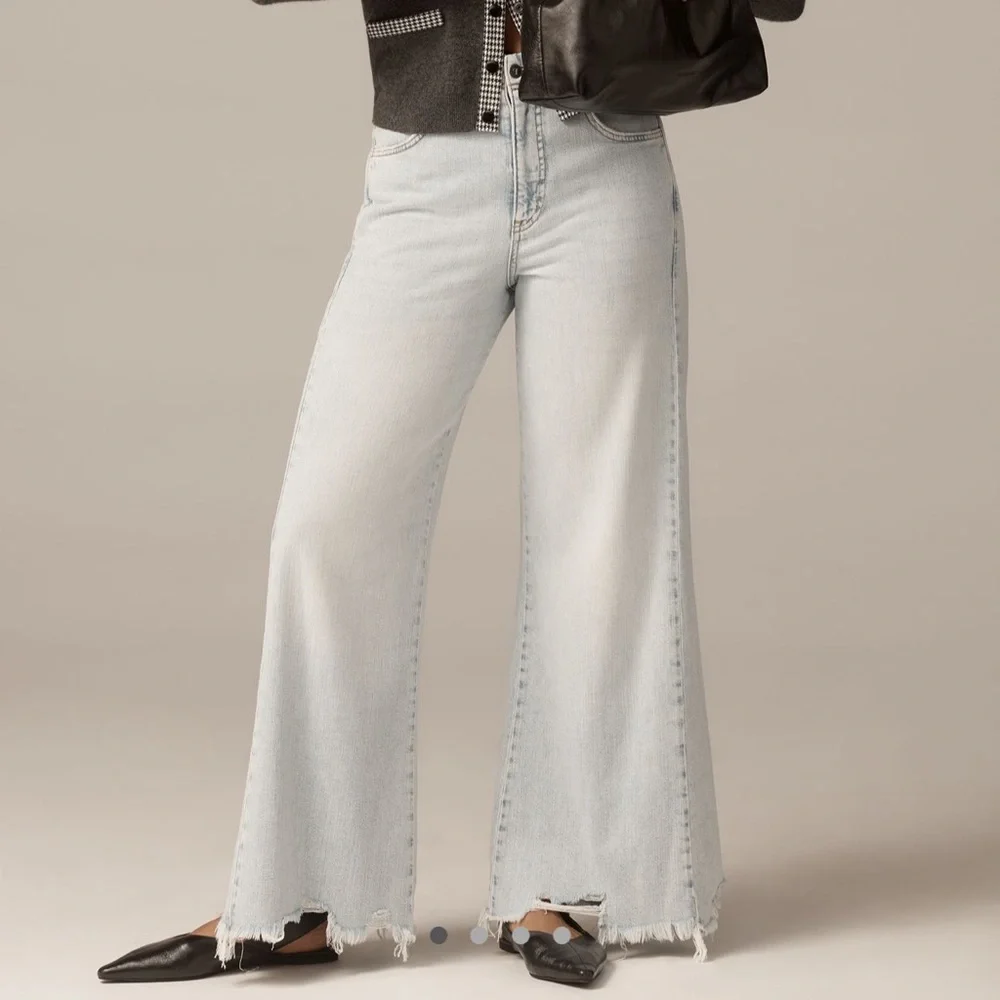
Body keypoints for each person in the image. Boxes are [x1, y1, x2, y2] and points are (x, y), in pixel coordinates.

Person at [97, 0, 804, 987]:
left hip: (603, 152)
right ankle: (300, 895)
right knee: (327, 525)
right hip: (427, 167)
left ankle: (566, 887)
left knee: (601, 537)